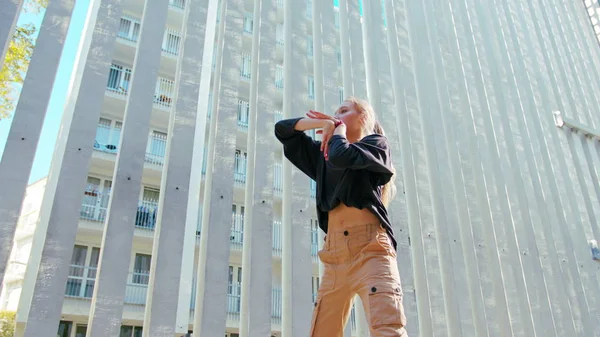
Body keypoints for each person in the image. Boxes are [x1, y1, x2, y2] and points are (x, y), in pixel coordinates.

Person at [274, 96, 408, 337]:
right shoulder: (322, 155)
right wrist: (319, 124)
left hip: (372, 251)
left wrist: (338, 131)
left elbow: (342, 156)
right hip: (335, 256)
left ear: (363, 117)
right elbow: (283, 130)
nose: (336, 116)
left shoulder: (376, 145)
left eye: (344, 111)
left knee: (387, 329)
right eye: (335, 113)